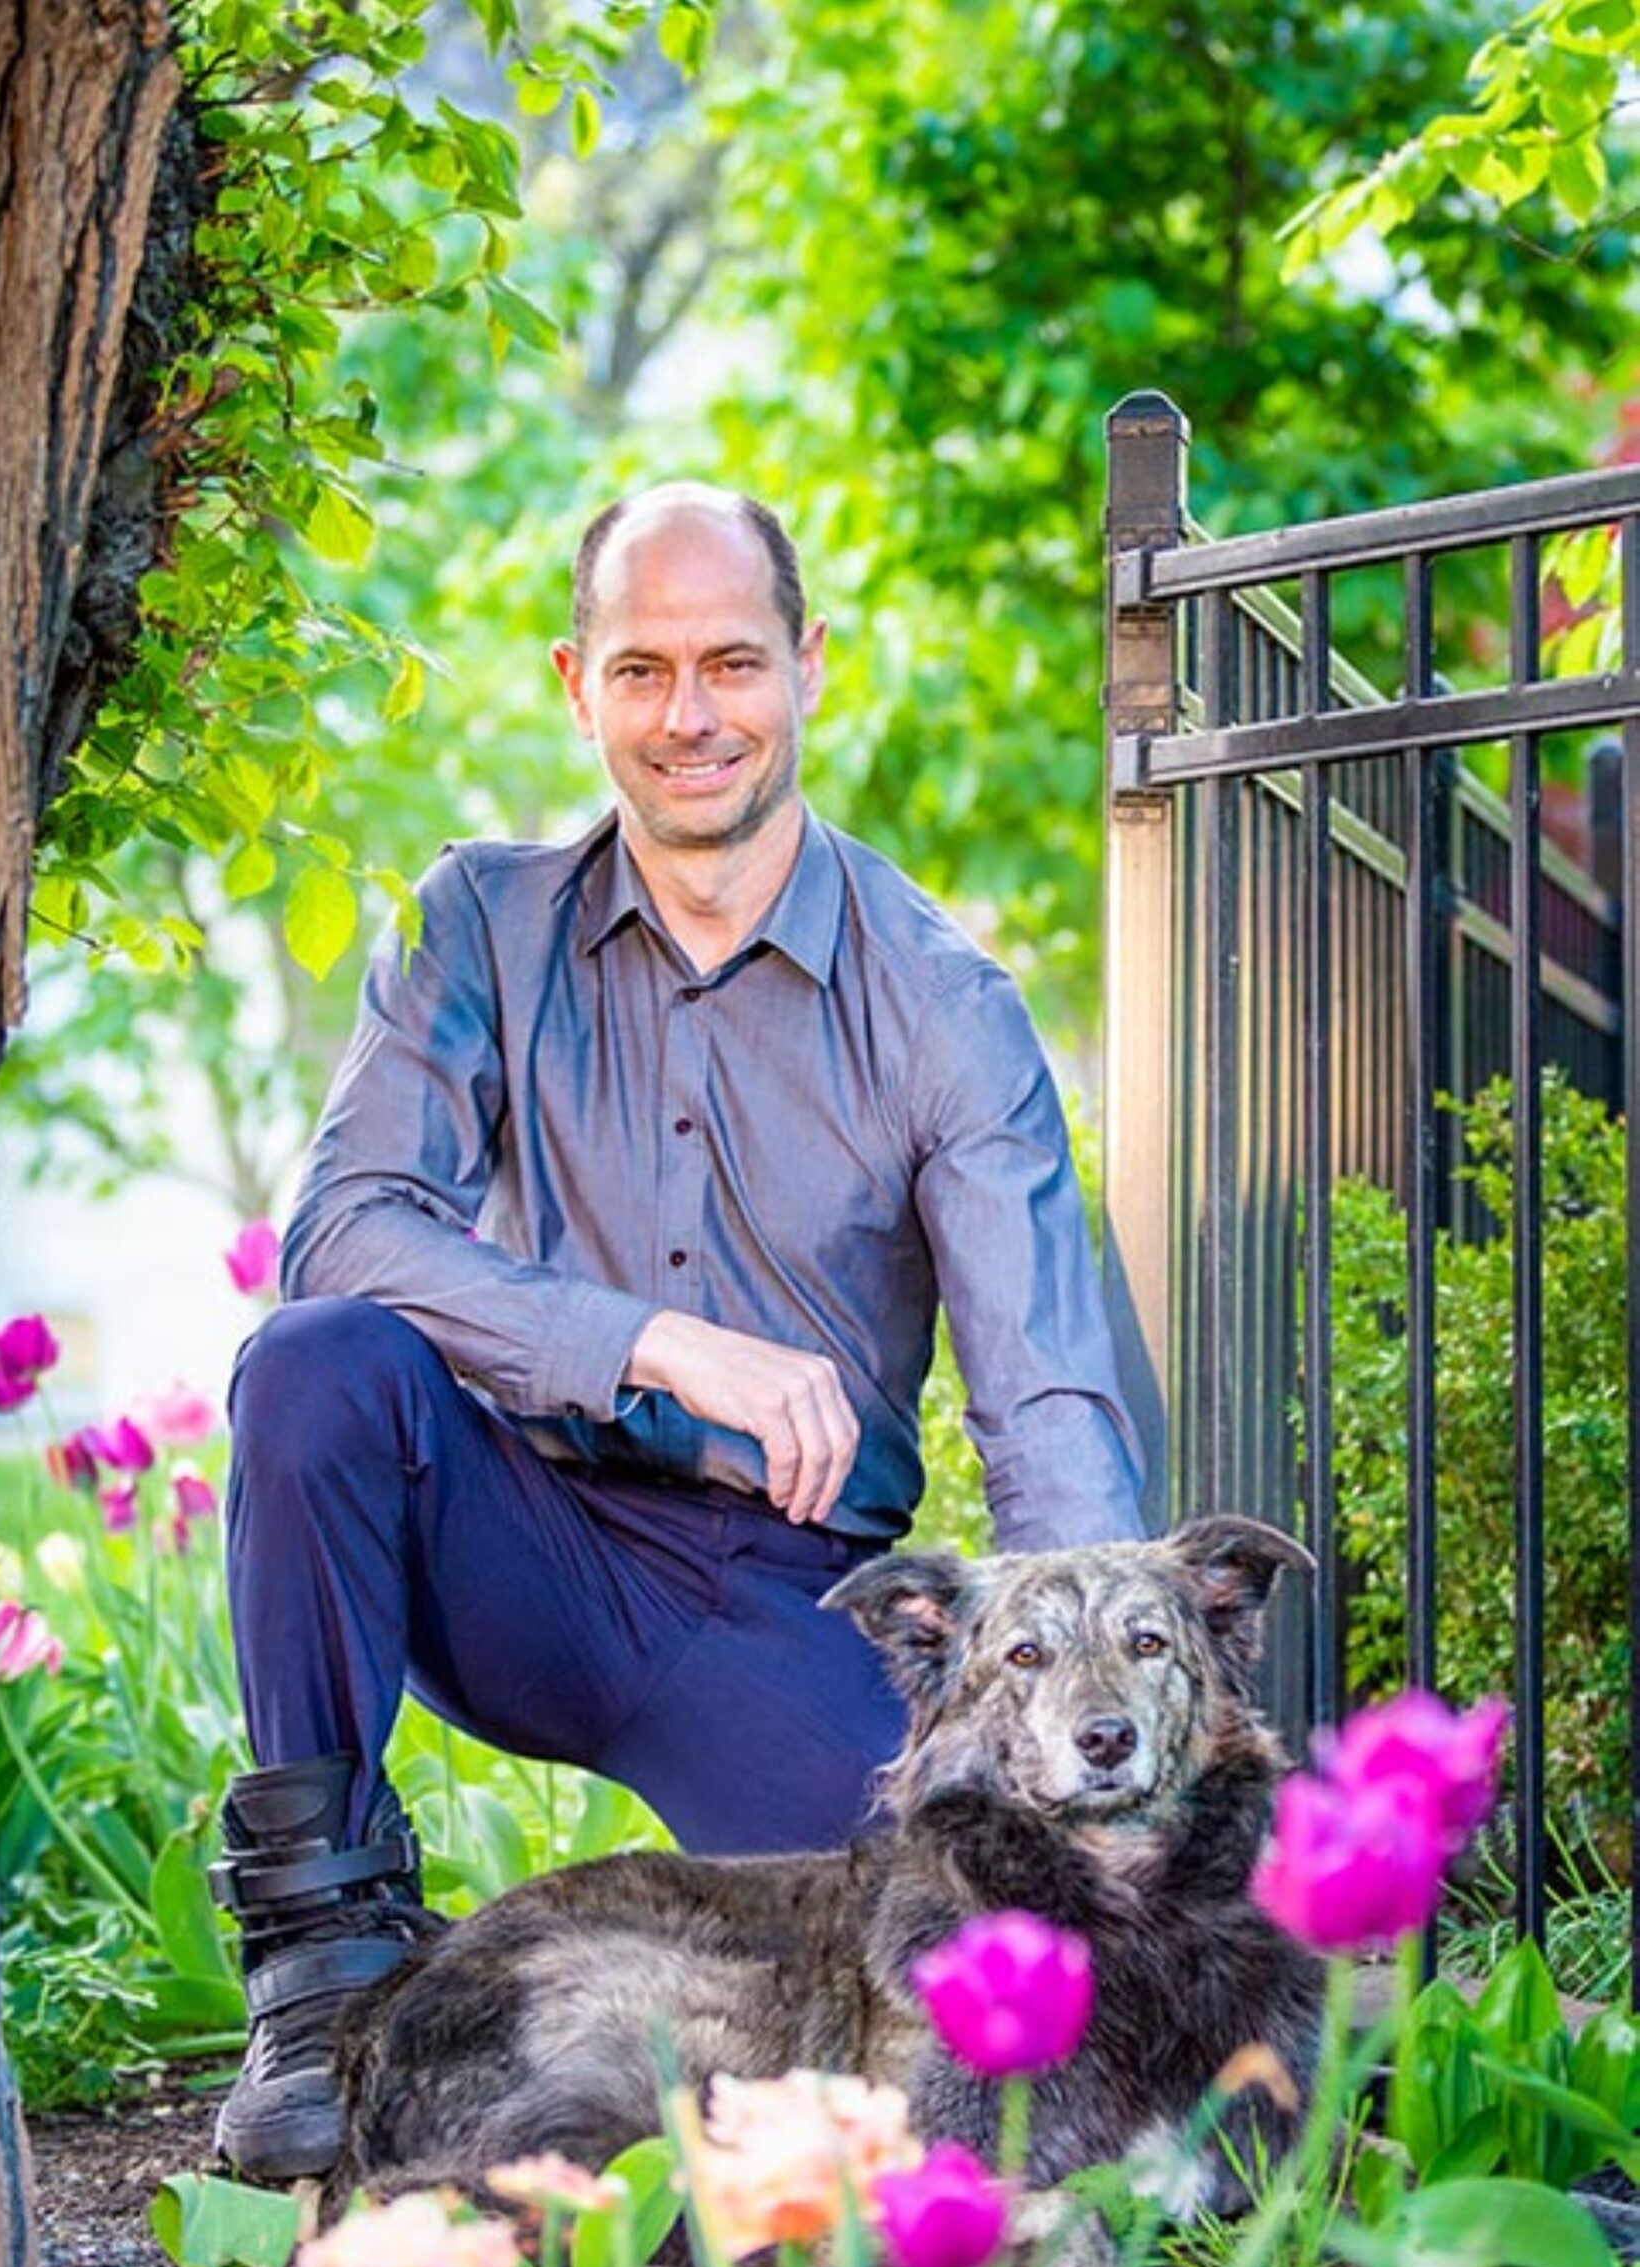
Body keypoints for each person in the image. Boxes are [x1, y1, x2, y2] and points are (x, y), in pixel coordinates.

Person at [208, 482, 1146, 2180]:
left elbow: (1048, 1400)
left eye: (732, 662)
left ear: (811, 671)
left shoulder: (944, 1007)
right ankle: (318, 1986)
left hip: (786, 1602)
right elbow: (341, 1231)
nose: (690, 715)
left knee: (970, 2004)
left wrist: (1090, 1735)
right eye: (643, 670)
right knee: (317, 1368)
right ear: (577, 683)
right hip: (525, 1550)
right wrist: (655, 1341)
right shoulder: (474, 929)